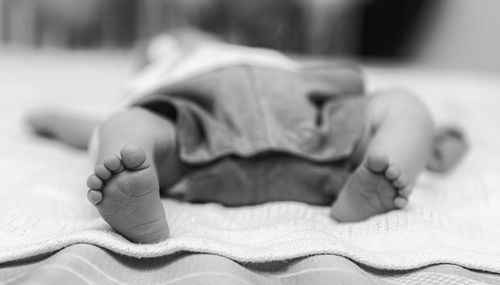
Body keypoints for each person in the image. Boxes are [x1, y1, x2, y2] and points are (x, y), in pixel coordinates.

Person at [26, 34, 466, 243]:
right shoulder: (163, 74)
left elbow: (91, 127)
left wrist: (55, 121)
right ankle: (133, 184)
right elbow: (91, 125)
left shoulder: (233, 54)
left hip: (272, 120)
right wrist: (53, 119)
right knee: (131, 125)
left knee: (125, 127)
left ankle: (386, 162)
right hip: (295, 135)